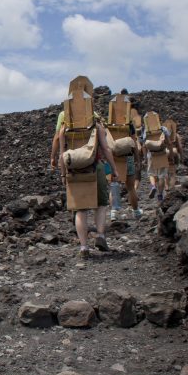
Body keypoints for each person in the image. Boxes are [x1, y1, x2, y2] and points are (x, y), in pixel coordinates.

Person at [58, 82, 120, 259]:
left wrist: (63, 174)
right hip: (96, 167)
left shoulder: (64, 129)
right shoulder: (96, 124)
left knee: (80, 210)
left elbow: (62, 154)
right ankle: (100, 235)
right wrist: (114, 169)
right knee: (101, 204)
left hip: (74, 171)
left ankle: (84, 247)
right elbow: (106, 149)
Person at [142, 112, 175, 203]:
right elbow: (169, 143)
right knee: (161, 176)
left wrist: (145, 158)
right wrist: (171, 154)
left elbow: (144, 146)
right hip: (162, 154)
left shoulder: (146, 131)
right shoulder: (163, 129)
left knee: (151, 174)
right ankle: (160, 195)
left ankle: (153, 186)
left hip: (151, 155)